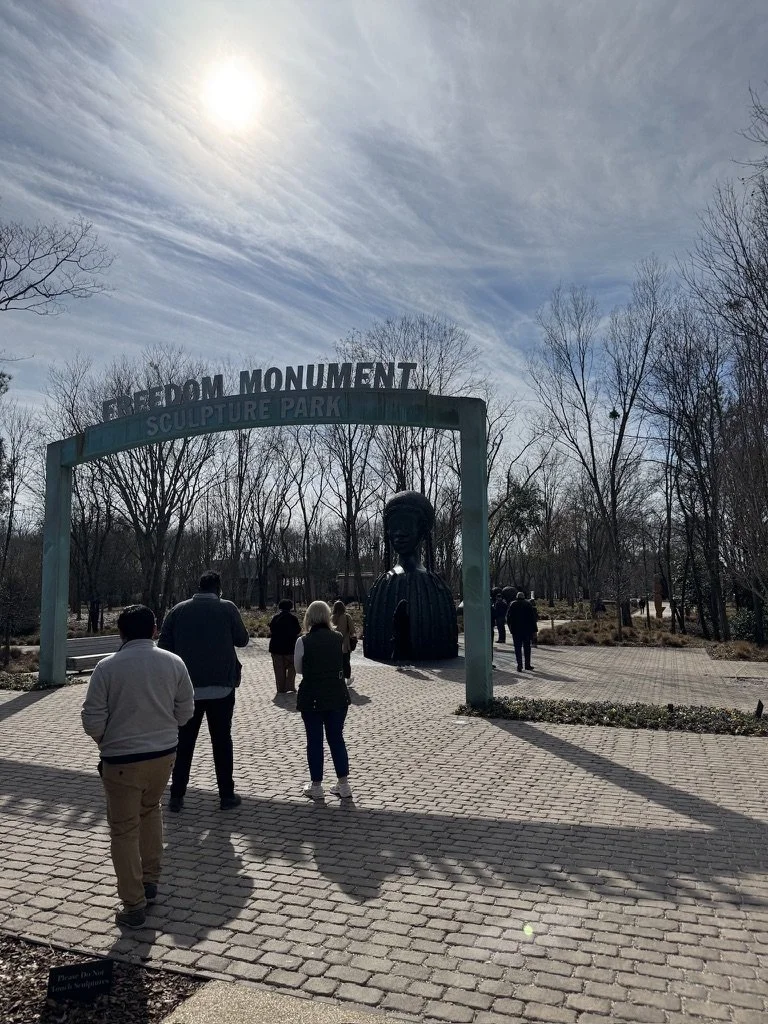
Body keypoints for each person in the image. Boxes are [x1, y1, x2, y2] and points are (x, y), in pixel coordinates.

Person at [81, 605, 194, 929]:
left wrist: (105, 741)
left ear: (121, 633)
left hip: (121, 761)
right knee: (151, 811)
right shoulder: (174, 663)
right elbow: (186, 710)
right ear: (155, 629)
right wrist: (166, 729)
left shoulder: (107, 668)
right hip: (163, 756)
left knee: (123, 829)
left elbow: (92, 718)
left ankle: (133, 904)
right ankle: (150, 880)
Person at [158, 570, 249, 812]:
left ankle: (176, 796)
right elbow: (242, 640)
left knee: (184, 743)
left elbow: (163, 647)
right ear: (218, 588)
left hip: (187, 689)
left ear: (198, 587)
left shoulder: (177, 611)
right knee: (222, 741)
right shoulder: (227, 608)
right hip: (222, 688)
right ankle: (226, 795)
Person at [364, 491, 458, 662]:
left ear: (422, 530)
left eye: (406, 524)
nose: (399, 533)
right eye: (394, 526)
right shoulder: (382, 585)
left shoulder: (437, 588)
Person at [294, 600, 352, 801]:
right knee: (337, 739)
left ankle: (316, 785)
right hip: (337, 694)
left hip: (312, 696)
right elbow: (343, 662)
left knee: (315, 741)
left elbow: (299, 669)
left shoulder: (303, 641)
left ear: (309, 617)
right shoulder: (337, 638)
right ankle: (344, 784)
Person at [269, 598, 302, 693]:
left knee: (279, 669)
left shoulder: (275, 618)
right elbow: (298, 630)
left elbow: (272, 629)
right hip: (290, 648)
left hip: (276, 648)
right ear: (290, 607)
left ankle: (281, 688)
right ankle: (290, 685)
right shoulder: (293, 618)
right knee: (292, 667)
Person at [506, 591, 538, 672]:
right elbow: (532, 619)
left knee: (517, 648)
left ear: (517, 597)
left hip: (516, 631)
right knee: (527, 648)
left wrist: (511, 629)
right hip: (527, 631)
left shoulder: (512, 604)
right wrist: (534, 631)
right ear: (523, 597)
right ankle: (527, 665)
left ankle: (519, 665)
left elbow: (508, 618)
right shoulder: (528, 604)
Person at [331, 599, 356, 685]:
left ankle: (337, 678)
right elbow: (353, 631)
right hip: (345, 644)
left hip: (334, 644)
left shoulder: (332, 618)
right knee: (346, 662)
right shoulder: (346, 616)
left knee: (336, 662)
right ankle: (347, 679)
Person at [392, 599, 412, 669]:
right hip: (404, 635)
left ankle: (399, 665)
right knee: (406, 650)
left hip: (398, 635)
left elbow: (394, 625)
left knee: (398, 650)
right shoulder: (404, 615)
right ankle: (407, 665)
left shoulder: (396, 614)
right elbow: (406, 626)